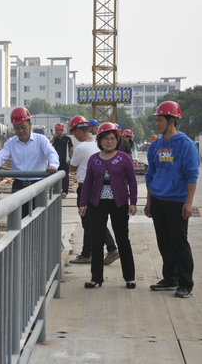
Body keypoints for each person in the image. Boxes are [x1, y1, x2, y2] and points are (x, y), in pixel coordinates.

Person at [145, 101, 199, 298]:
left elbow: (192, 175)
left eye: (160, 120)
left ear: (172, 121)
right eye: (157, 120)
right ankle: (170, 278)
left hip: (177, 201)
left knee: (179, 243)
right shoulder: (156, 145)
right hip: (158, 200)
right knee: (164, 242)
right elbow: (150, 174)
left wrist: (189, 202)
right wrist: (149, 201)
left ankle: (185, 283)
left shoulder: (186, 145)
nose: (157, 123)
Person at [79, 122, 137, 289]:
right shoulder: (94, 159)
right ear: (99, 141)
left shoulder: (124, 158)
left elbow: (132, 182)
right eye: (105, 139)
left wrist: (133, 202)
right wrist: (83, 203)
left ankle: (129, 277)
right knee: (97, 240)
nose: (109, 142)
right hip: (97, 204)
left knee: (123, 240)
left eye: (112, 139)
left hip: (119, 204)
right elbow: (87, 183)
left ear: (117, 140)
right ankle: (96, 278)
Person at [0, 106, 59, 217]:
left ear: (30, 125)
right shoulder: (11, 142)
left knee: (39, 218)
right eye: (17, 128)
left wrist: (53, 165)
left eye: (23, 127)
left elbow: (52, 153)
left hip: (38, 184)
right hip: (19, 185)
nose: (21, 131)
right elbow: (1, 156)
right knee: (19, 219)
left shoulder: (41, 139)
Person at [68, 116, 119, 265]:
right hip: (100, 186)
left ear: (78, 131)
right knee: (91, 222)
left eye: (74, 132)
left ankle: (111, 248)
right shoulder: (98, 143)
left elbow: (72, 167)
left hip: (86, 188)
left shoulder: (81, 147)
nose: (74, 136)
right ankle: (87, 253)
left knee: (91, 221)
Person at [51, 122, 73, 198]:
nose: (57, 132)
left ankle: (64, 191)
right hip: (57, 162)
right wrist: (53, 138)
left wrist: (71, 158)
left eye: (58, 130)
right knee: (56, 177)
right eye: (56, 130)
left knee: (65, 177)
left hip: (65, 161)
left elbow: (71, 149)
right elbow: (49, 146)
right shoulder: (55, 139)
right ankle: (57, 191)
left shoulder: (67, 139)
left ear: (62, 130)